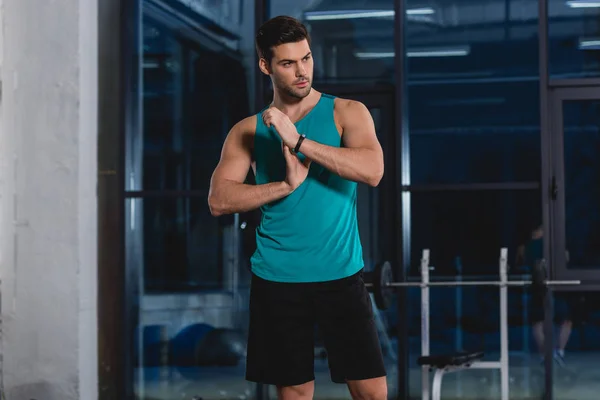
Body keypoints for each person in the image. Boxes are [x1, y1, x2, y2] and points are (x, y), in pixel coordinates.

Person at [208, 15, 387, 400]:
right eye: (288, 63)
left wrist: (299, 141)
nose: (301, 71)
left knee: (372, 393)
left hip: (340, 273)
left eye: (305, 59)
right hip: (278, 279)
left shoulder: (347, 112)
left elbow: (373, 171)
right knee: (294, 394)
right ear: (265, 66)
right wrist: (284, 185)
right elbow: (220, 200)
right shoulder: (248, 130)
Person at [519, 224, 573, 367]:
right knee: (542, 320)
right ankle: (551, 353)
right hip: (542, 287)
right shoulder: (533, 246)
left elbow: (565, 259)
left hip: (551, 287)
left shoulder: (550, 245)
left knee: (550, 320)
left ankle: (553, 353)